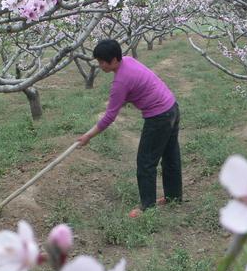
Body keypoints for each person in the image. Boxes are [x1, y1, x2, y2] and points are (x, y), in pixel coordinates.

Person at [77, 39, 182, 218]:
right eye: (99, 61)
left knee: (146, 162)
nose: (100, 65)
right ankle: (174, 197)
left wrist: (88, 136)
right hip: (172, 107)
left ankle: (147, 207)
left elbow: (109, 117)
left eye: (103, 61)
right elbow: (138, 85)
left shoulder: (120, 83)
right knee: (170, 156)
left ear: (114, 60)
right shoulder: (129, 61)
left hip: (159, 118)